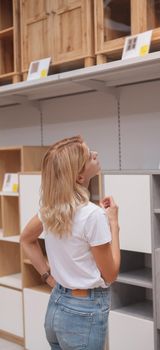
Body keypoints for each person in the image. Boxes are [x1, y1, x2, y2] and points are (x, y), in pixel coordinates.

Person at [20, 135, 120, 350]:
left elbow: (26, 239)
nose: (95, 155)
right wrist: (113, 223)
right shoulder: (93, 215)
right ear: (79, 178)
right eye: (88, 156)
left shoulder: (51, 209)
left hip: (56, 306)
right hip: (83, 312)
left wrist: (47, 277)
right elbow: (110, 274)